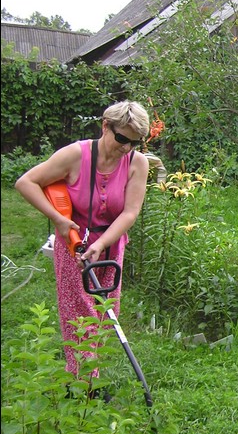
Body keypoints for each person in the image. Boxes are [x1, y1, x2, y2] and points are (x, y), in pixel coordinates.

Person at [15, 100, 150, 384]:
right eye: (122, 138)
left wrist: (103, 244)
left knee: (103, 314)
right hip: (74, 245)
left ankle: (87, 381)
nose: (126, 148)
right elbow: (26, 183)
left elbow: (130, 212)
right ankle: (83, 386)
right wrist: (59, 220)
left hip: (111, 247)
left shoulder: (137, 163)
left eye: (134, 143)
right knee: (79, 316)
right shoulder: (76, 155)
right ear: (105, 126)